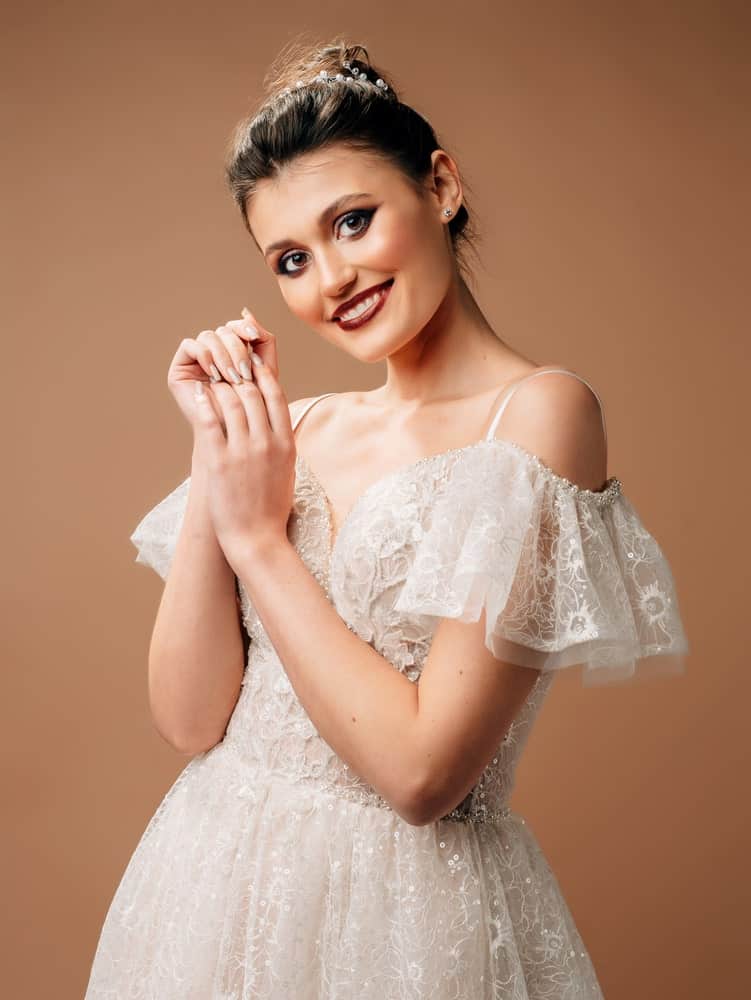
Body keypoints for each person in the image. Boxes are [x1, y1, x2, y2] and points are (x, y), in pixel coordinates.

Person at [85, 38, 690, 999]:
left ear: (440, 185)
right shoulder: (296, 427)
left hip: (406, 916)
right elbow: (189, 719)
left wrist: (255, 541)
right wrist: (218, 455)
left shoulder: (539, 416)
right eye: (291, 258)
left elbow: (421, 775)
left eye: (353, 221)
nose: (330, 278)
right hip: (209, 888)